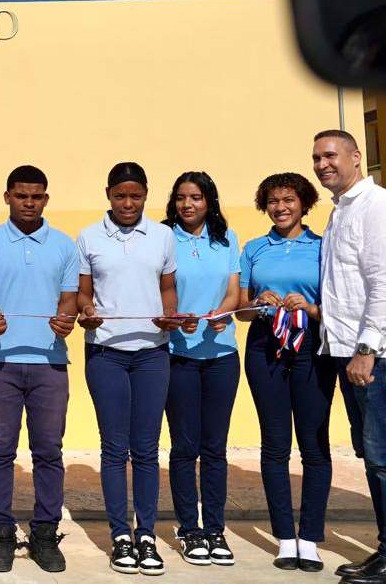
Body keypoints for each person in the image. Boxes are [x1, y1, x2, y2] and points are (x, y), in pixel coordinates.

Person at [74, 162, 180, 575]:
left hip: (153, 353)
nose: (128, 203)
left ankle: (147, 536)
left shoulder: (163, 235)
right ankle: (121, 535)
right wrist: (86, 311)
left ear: (146, 196)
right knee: (115, 449)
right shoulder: (88, 236)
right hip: (106, 355)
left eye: (136, 196)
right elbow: (84, 292)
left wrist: (169, 315)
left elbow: (167, 288)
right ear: (108, 195)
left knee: (148, 449)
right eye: (121, 196)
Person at [0, 166, 76, 574]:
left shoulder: (64, 245)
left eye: (36, 196)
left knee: (48, 450)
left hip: (50, 362)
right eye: (21, 196)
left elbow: (69, 298)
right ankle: (0, 532)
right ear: (7, 197)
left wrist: (65, 319)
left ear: (46, 199)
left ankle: (45, 533)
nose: (28, 203)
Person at [237, 172, 330, 572]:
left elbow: (338, 307)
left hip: (312, 347)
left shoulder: (323, 247)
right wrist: (259, 302)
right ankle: (285, 538)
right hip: (264, 346)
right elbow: (240, 311)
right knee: (274, 444)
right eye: (273, 201)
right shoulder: (254, 248)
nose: (281, 208)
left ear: (303, 203)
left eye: (289, 200)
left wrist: (309, 309)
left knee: (313, 444)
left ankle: (309, 537)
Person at [311, 130, 386, 584]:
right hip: (344, 351)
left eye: (331, 155)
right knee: (371, 454)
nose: (322, 164)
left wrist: (367, 348)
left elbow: (382, 281)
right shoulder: (341, 212)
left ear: (356, 157)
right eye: (316, 157)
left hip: (372, 356)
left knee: (381, 456)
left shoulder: (374, 207)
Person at [160, 171, 241, 566]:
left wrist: (221, 315)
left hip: (222, 356)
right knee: (184, 447)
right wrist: (176, 318)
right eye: (180, 198)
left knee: (214, 449)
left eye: (195, 197)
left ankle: (215, 529)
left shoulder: (227, 239)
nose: (187, 204)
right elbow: (159, 290)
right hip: (178, 356)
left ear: (209, 200)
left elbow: (233, 293)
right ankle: (189, 529)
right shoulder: (163, 238)